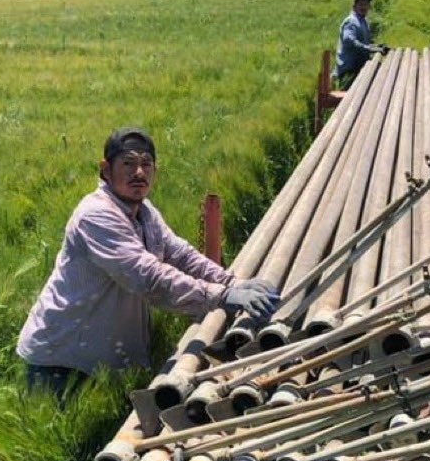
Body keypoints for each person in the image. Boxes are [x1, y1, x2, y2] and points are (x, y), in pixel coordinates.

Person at [17, 127, 279, 396]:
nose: (139, 173)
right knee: (69, 432)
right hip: (62, 359)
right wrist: (222, 296)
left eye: (146, 164)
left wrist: (232, 282)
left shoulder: (143, 210)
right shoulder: (96, 216)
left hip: (97, 353)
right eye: (128, 164)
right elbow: (147, 277)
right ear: (106, 170)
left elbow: (180, 255)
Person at [333, 0, 389, 84]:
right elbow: (349, 41)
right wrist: (371, 49)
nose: (363, 7)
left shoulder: (363, 21)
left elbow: (364, 43)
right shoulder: (351, 21)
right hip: (350, 69)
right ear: (354, 6)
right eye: (361, 5)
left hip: (358, 65)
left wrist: (377, 46)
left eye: (366, 5)